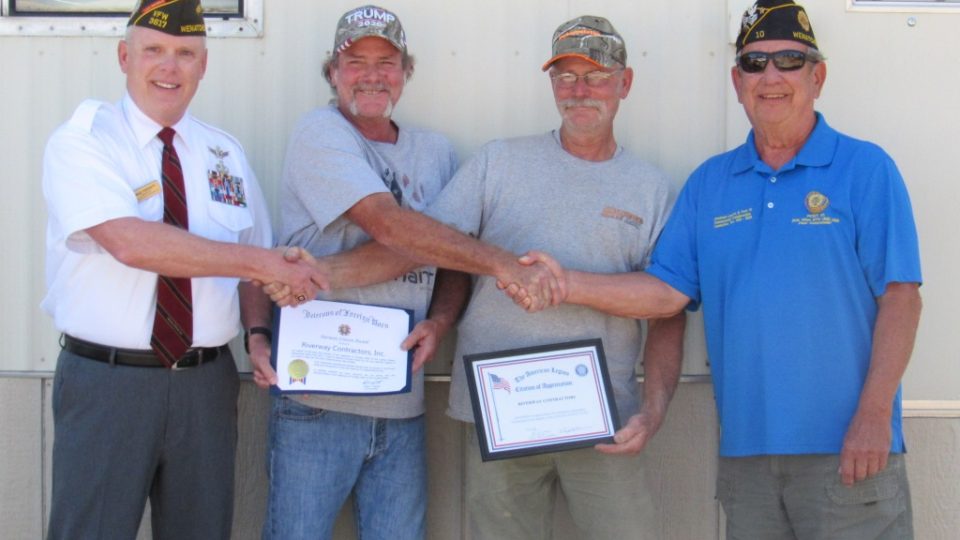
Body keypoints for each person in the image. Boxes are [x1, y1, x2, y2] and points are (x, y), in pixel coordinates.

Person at [519, 1, 922, 538]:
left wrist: (874, 417)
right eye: (755, 64)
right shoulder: (711, 184)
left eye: (789, 61)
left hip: (850, 450)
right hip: (746, 459)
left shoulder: (866, 169)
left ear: (817, 76)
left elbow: (902, 297)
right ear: (737, 82)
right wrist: (564, 284)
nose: (771, 76)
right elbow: (666, 294)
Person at [252, 5, 562, 539]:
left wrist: (440, 323)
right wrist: (503, 264)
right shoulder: (320, 133)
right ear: (332, 72)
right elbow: (389, 226)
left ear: (406, 72)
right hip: (316, 399)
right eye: (356, 62)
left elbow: (450, 260)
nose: (372, 75)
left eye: (387, 62)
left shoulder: (436, 152)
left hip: (401, 398)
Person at [40, 1, 326, 538]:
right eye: (154, 51)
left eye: (185, 54)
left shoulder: (224, 153)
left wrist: (259, 335)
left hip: (205, 386)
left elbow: (254, 259)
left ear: (204, 65)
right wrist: (261, 262)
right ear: (125, 57)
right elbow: (129, 242)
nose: (169, 68)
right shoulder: (84, 141)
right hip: (108, 383)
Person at [420, 15, 685, 540]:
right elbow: (441, 247)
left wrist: (653, 412)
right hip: (499, 415)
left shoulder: (652, 189)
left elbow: (668, 311)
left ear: (625, 83)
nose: (579, 90)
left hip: (606, 419)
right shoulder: (499, 162)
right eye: (565, 75)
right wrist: (440, 322)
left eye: (595, 75)